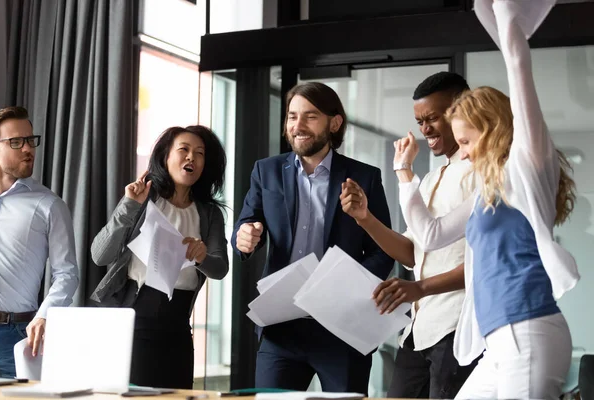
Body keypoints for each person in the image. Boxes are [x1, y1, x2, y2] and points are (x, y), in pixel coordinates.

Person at [392, 1, 579, 398]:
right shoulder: (486, 194)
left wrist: (507, 19)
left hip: (528, 331)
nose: (465, 152)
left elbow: (518, 67)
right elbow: (432, 232)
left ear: (492, 128)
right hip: (497, 343)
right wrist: (404, 172)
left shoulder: (528, 166)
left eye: (467, 141)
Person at [232, 82, 394, 394]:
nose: (298, 126)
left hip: (342, 327)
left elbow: (383, 250)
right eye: (292, 117)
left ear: (335, 123)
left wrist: (347, 288)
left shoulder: (364, 177)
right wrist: (244, 237)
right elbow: (245, 225)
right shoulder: (265, 171)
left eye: (310, 116)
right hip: (280, 327)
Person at [340, 72, 478, 399]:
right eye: (419, 121)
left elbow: (481, 264)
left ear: (462, 111)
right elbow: (413, 254)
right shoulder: (429, 179)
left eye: (432, 118)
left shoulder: (481, 175)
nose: (424, 129)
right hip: (417, 331)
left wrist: (418, 288)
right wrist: (365, 218)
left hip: (456, 327)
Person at [90, 125, 229, 389]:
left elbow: (220, 269)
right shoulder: (144, 198)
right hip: (136, 317)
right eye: (184, 150)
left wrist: (202, 257)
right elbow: (100, 255)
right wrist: (129, 205)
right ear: (165, 157)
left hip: (178, 326)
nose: (191, 158)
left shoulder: (210, 213)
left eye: (199, 153)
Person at [0, 106, 79, 377]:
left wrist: (45, 315)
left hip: (17, 336)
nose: (28, 148)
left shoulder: (49, 205)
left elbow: (67, 273)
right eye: (16, 142)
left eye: (31, 140)